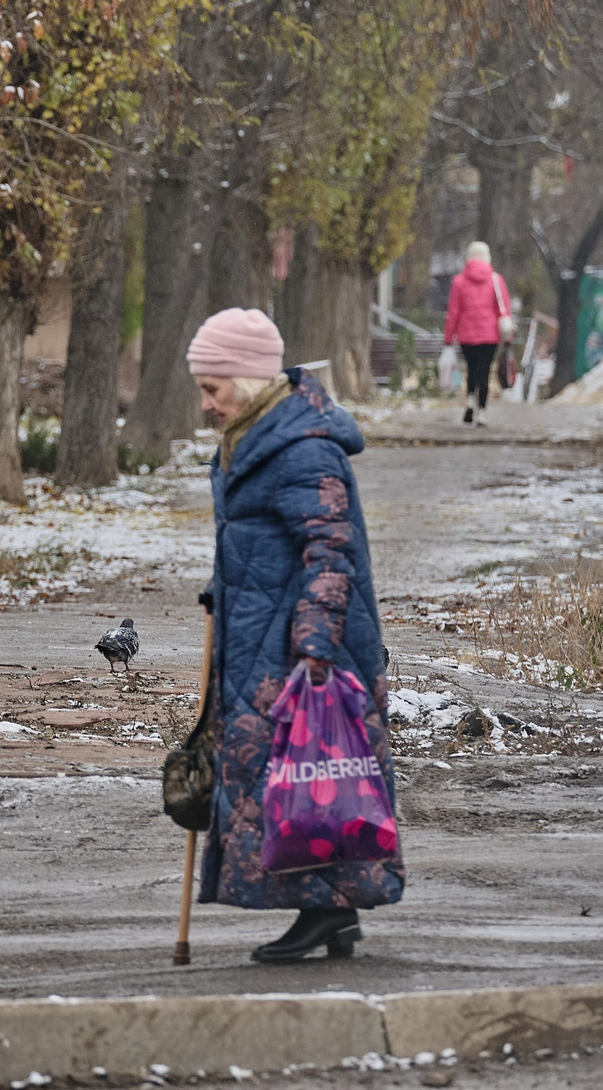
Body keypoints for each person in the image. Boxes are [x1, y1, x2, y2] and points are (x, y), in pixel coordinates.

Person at [187, 307, 402, 963]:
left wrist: (313, 641)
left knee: (309, 775)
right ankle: (328, 912)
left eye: (213, 388)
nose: (205, 404)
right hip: (262, 631)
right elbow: (269, 541)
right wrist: (224, 590)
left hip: (303, 642)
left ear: (249, 381)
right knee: (290, 780)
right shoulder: (261, 436)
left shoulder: (301, 447)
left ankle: (326, 911)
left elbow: (331, 549)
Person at [442, 240, 512, 425]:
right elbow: (503, 310)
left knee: (472, 370)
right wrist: (508, 336)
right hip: (490, 335)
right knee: (485, 372)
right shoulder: (496, 280)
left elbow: (453, 312)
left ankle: (470, 400)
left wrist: (448, 337)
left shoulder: (459, 282)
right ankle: (481, 412)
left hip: (467, 335)